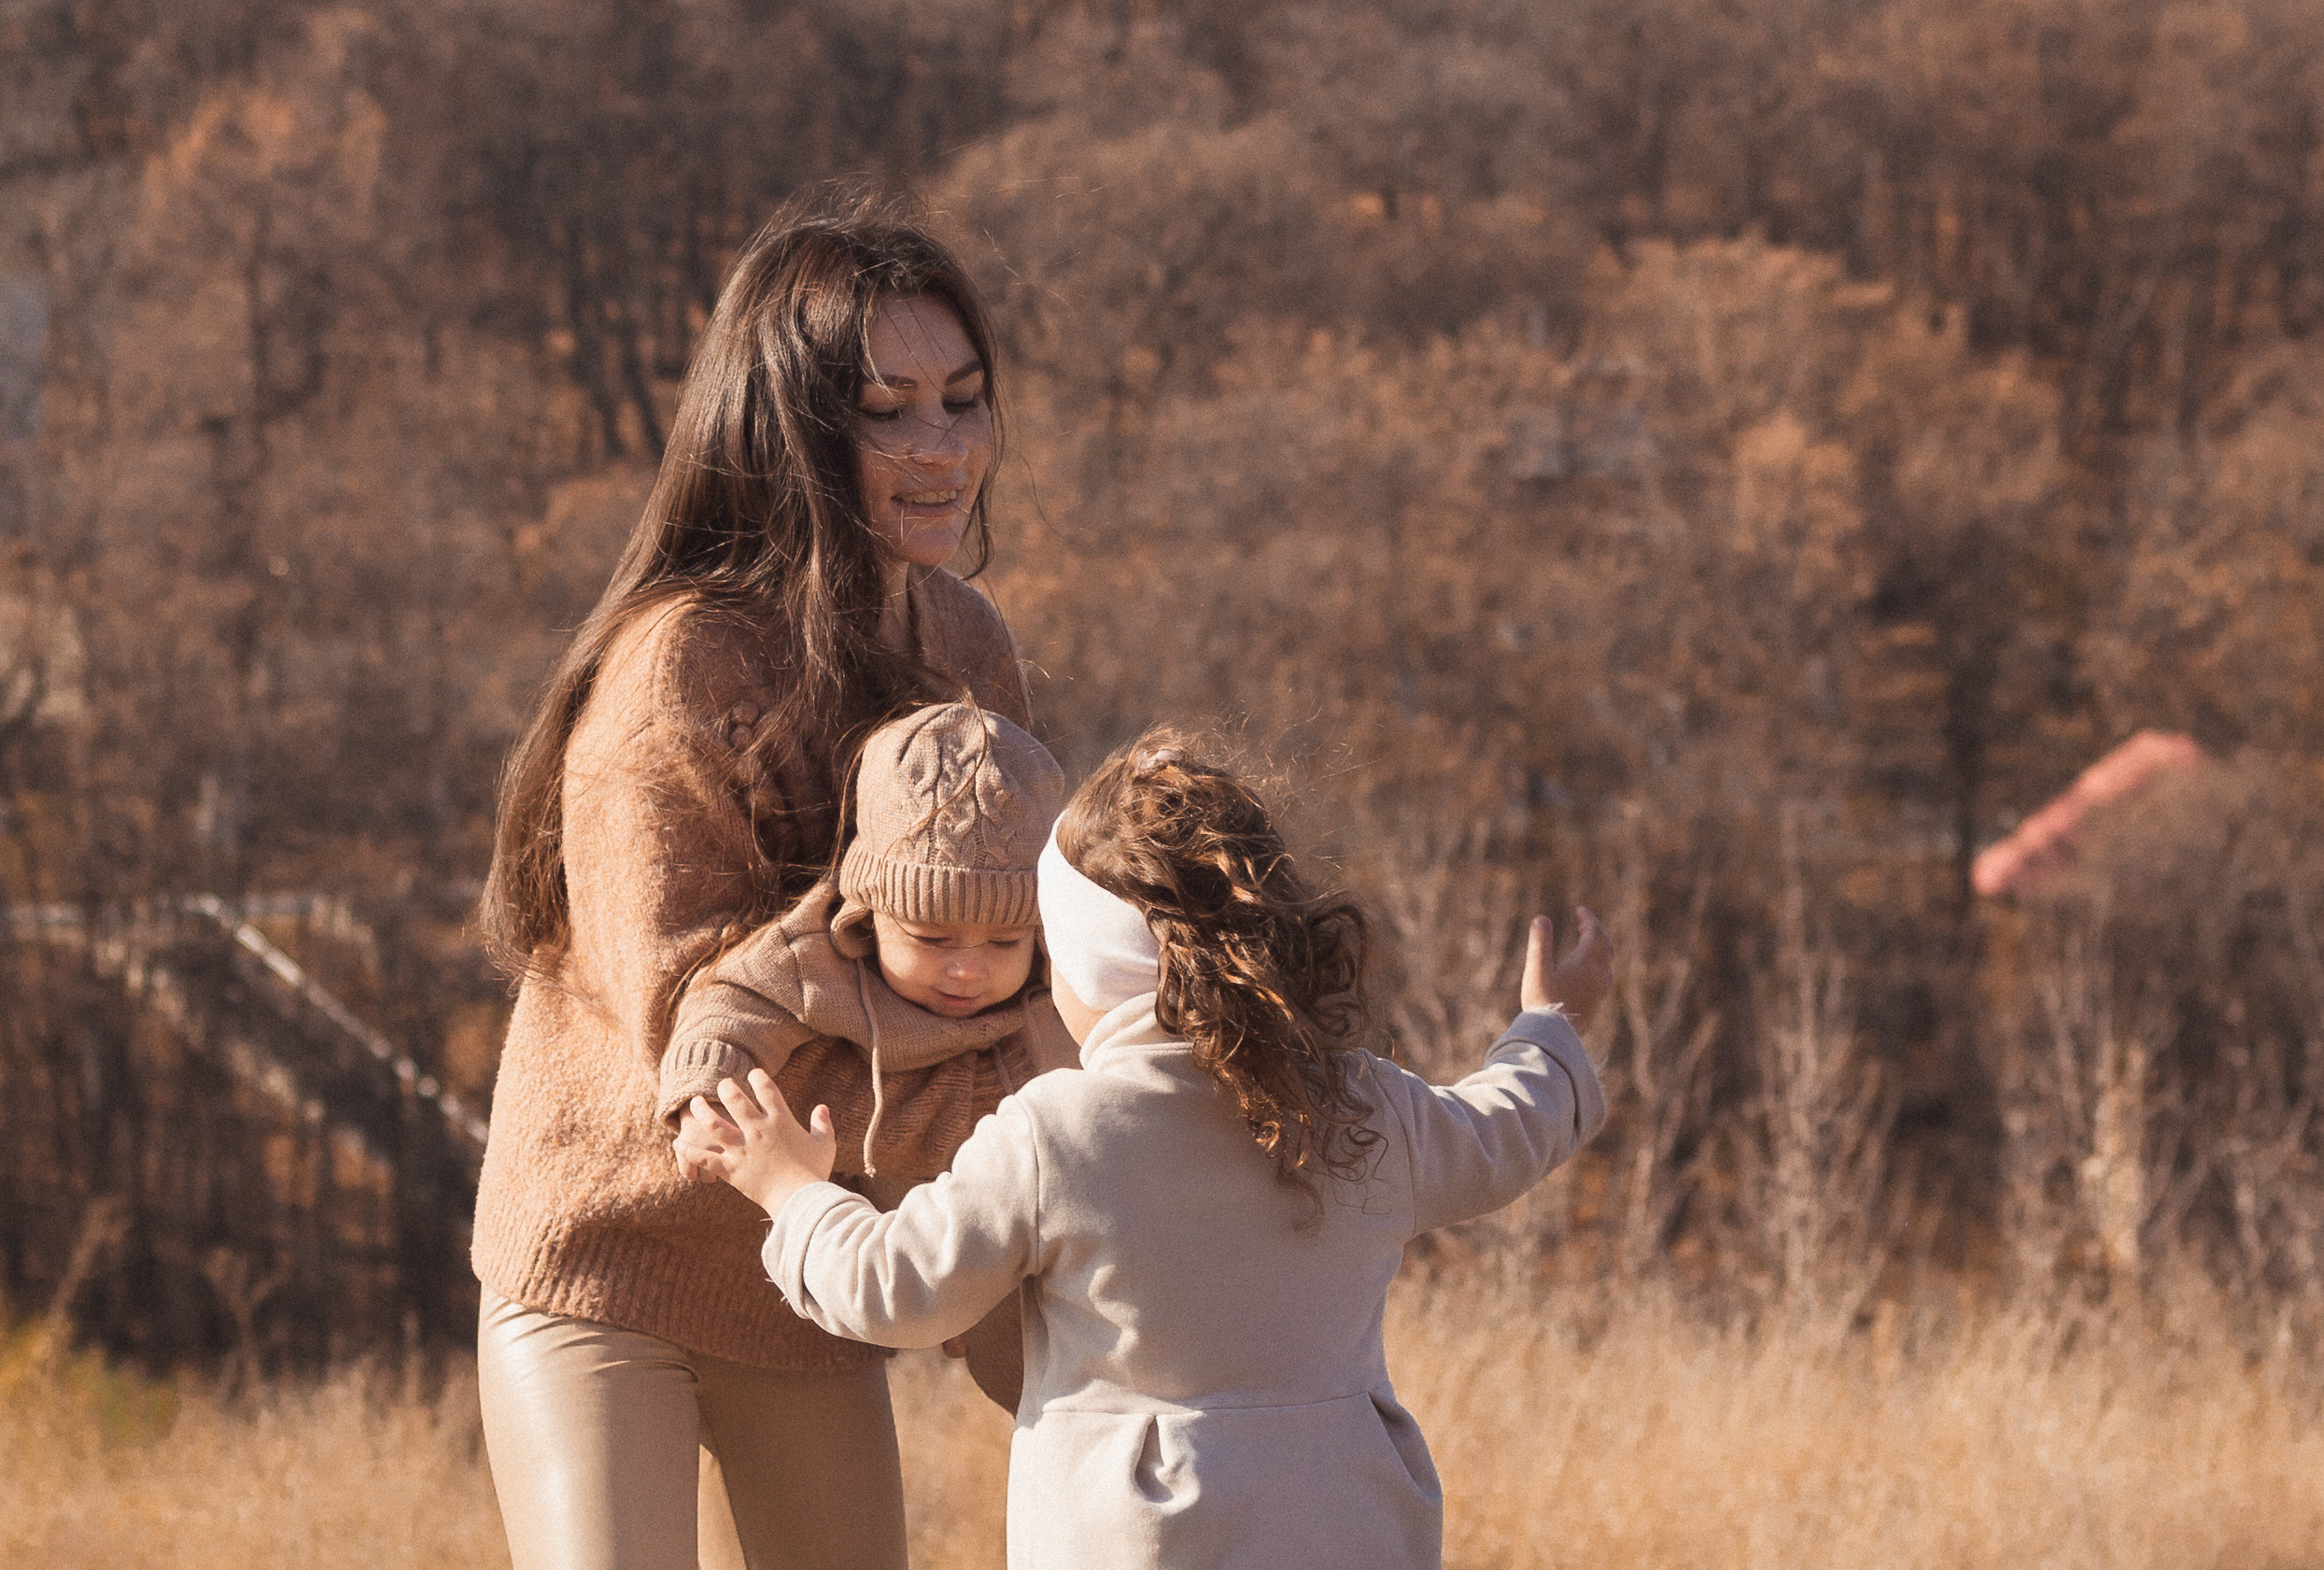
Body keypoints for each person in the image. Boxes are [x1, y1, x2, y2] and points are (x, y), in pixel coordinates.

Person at [470, 191, 1044, 1570]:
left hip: (807, 1267)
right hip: (612, 1262)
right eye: (887, 408)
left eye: (961, 402)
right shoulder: (680, 666)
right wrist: (968, 1134)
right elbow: (704, 1047)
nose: (941, 448)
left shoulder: (966, 640)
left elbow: (1017, 947)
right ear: (786, 427)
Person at [676, 730, 1615, 1569]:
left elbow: (896, 1286)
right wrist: (1550, 1028)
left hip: (1137, 1539)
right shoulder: (1359, 1100)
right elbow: (1505, 1130)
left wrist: (789, 1188)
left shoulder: (1059, 1133)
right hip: (1351, 1522)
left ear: (1082, 965)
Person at [658, 700, 1077, 1412]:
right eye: (933, 938)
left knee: (1043, 1379)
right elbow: (728, 1007)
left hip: (1032, 1239)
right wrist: (704, 1096)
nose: (968, 970)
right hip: (889, 1233)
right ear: (867, 908)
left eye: (1004, 941)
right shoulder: (815, 958)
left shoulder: (1058, 984)